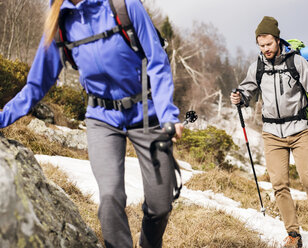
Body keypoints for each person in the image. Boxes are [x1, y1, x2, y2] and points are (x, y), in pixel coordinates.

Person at [0, 0, 183, 247]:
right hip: (101, 119)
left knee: (161, 205)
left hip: (147, 114)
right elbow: (37, 84)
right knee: (109, 197)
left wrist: (168, 114)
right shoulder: (60, 20)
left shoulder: (124, 5)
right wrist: (3, 117)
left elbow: (157, 61)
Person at [230, 16, 308, 248]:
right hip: (272, 132)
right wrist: (240, 98)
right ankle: (293, 234)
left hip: (301, 130)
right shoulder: (257, 67)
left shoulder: (296, 62)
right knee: (279, 184)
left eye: (268, 45)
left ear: (277, 40)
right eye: (261, 46)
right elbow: (247, 90)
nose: (265, 50)